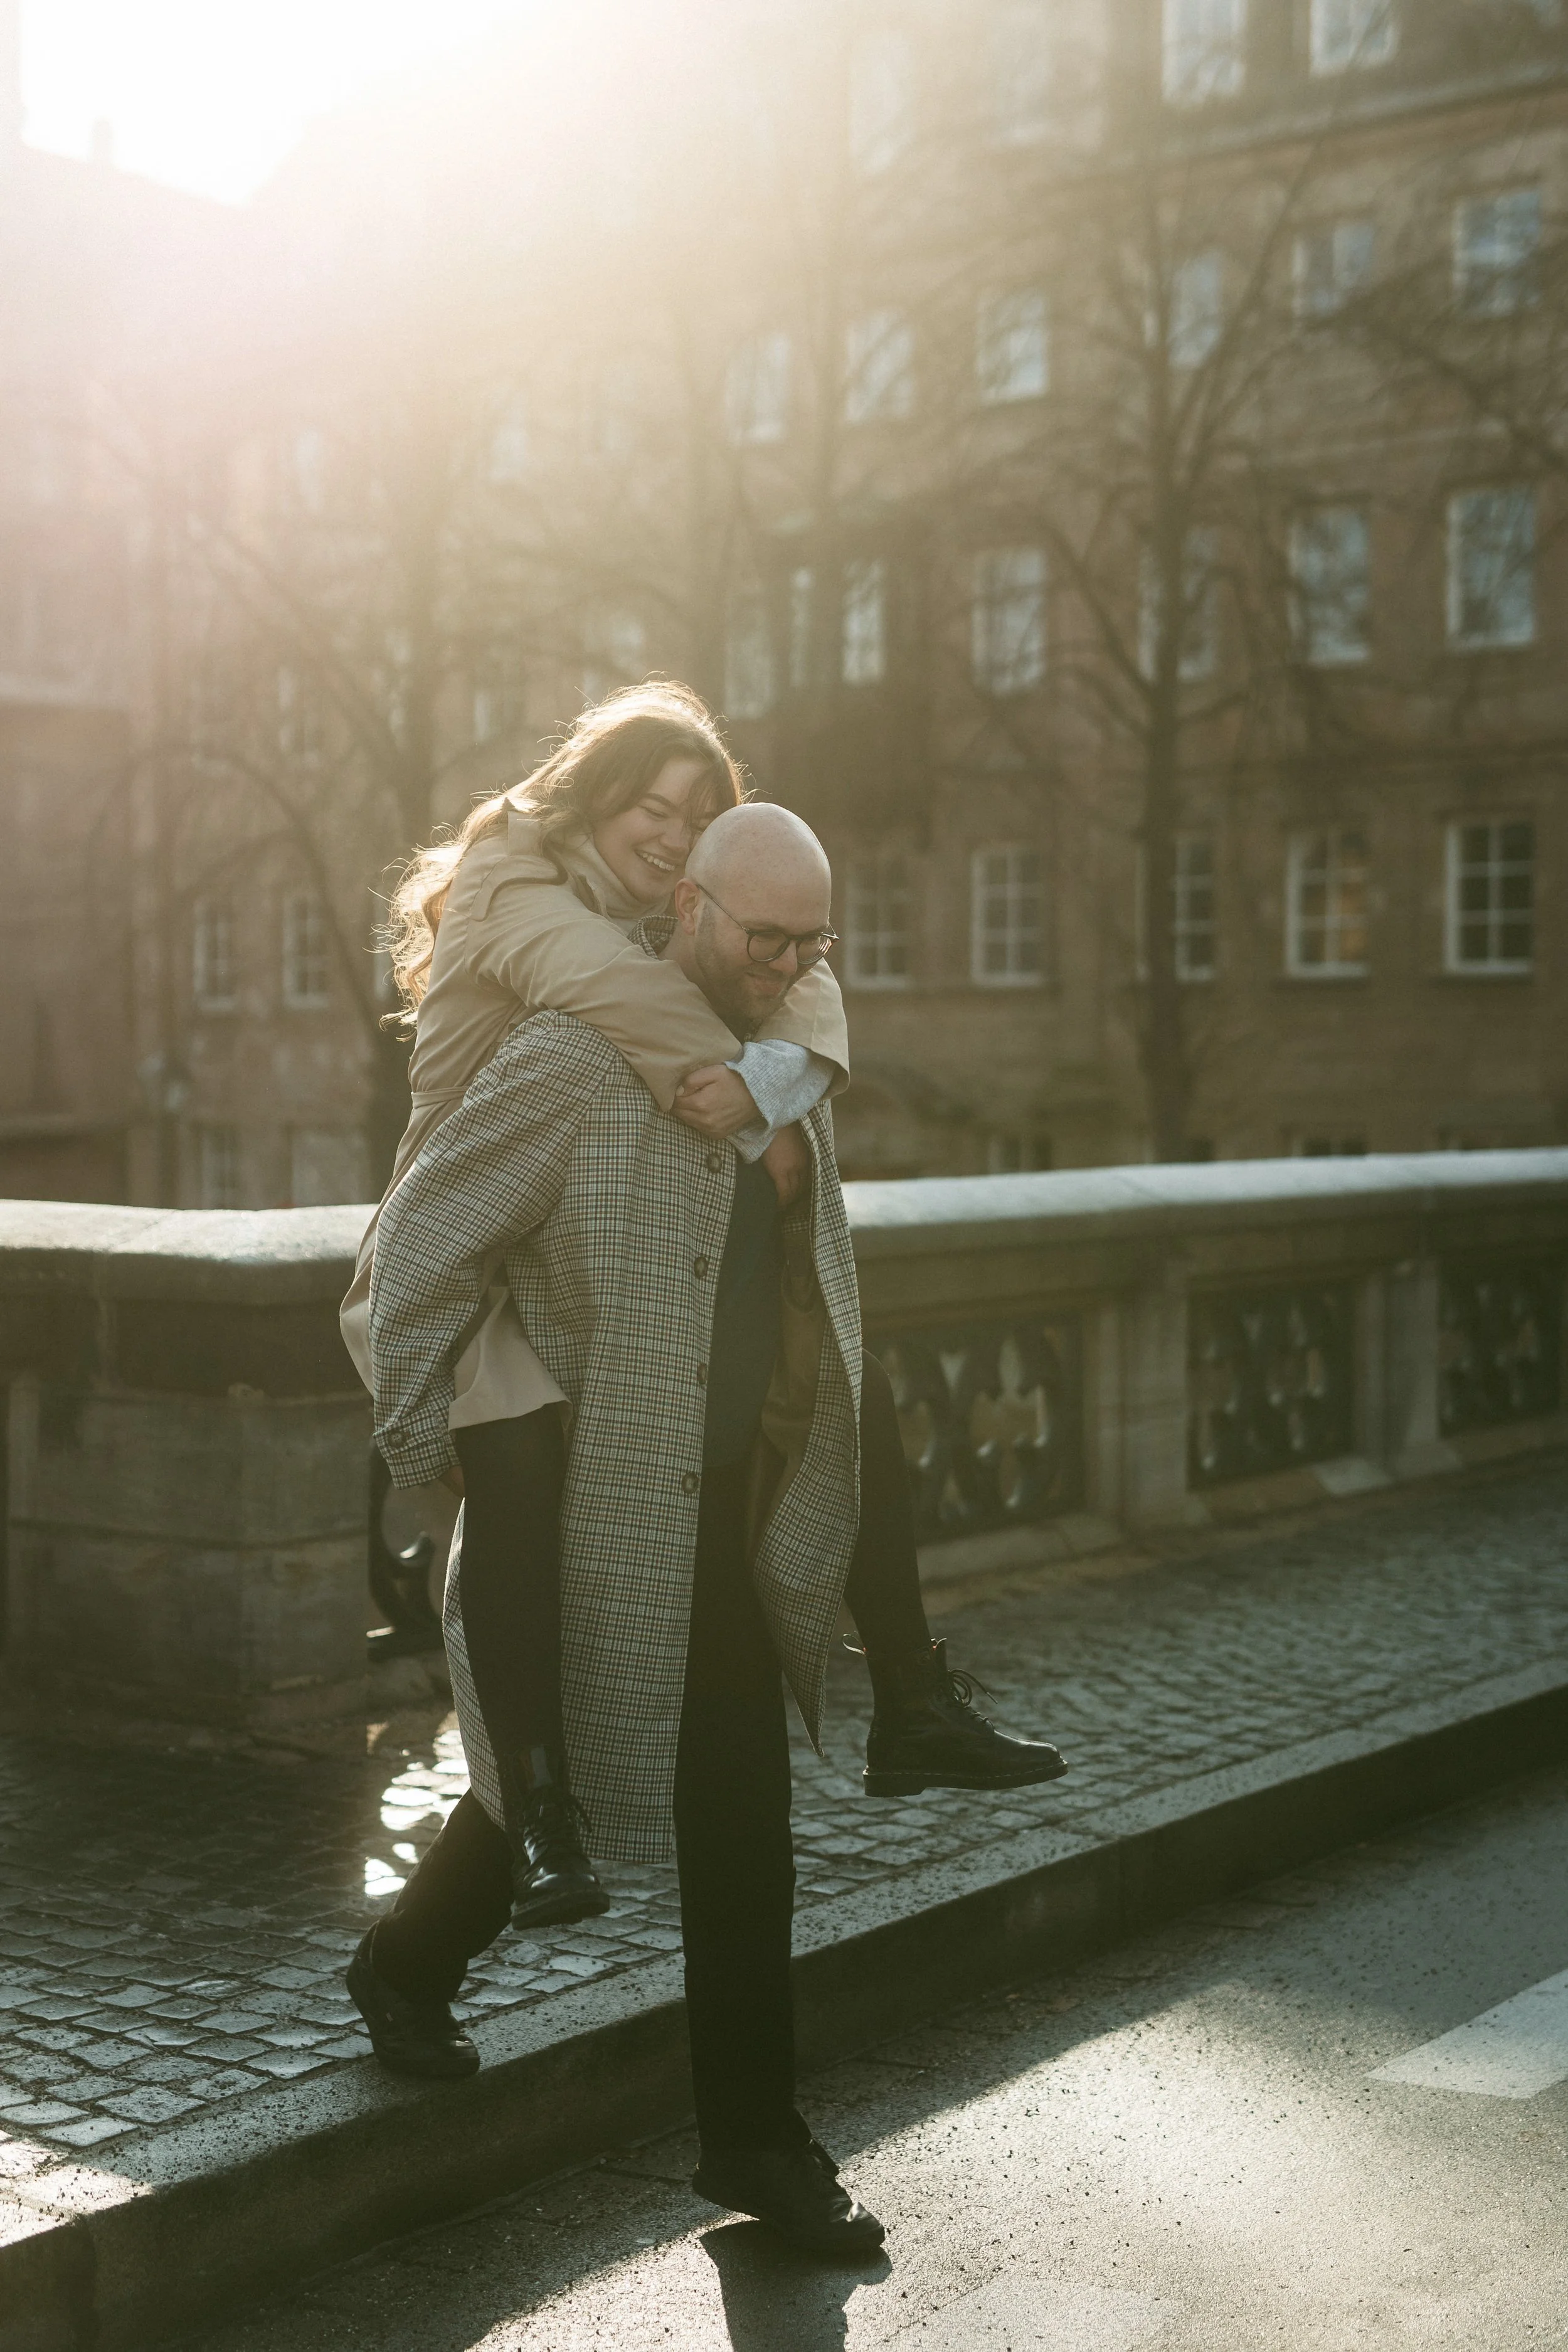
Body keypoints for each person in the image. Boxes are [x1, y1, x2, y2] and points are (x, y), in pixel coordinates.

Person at [354, 805, 1064, 2255]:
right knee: (534, 1804)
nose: (787, 966)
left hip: (730, 1530)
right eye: (765, 939)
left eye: (813, 943)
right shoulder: (560, 1064)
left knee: (742, 1843)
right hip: (590, 1522)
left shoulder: (784, 1076)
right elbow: (411, 1260)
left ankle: (755, 2147)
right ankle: (402, 1966)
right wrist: (439, 1461)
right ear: (685, 905)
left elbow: (818, 1291)